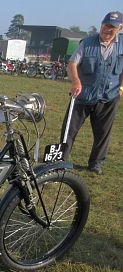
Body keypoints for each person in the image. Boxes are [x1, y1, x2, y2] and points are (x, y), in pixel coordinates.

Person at [61, 11, 123, 175]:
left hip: (108, 97)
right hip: (82, 96)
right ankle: (62, 160)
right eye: (105, 25)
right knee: (69, 131)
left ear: (120, 28)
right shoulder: (87, 43)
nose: (107, 29)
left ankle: (95, 164)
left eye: (112, 27)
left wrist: (121, 87)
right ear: (101, 24)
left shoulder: (122, 45)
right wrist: (76, 81)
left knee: (103, 134)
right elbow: (72, 64)